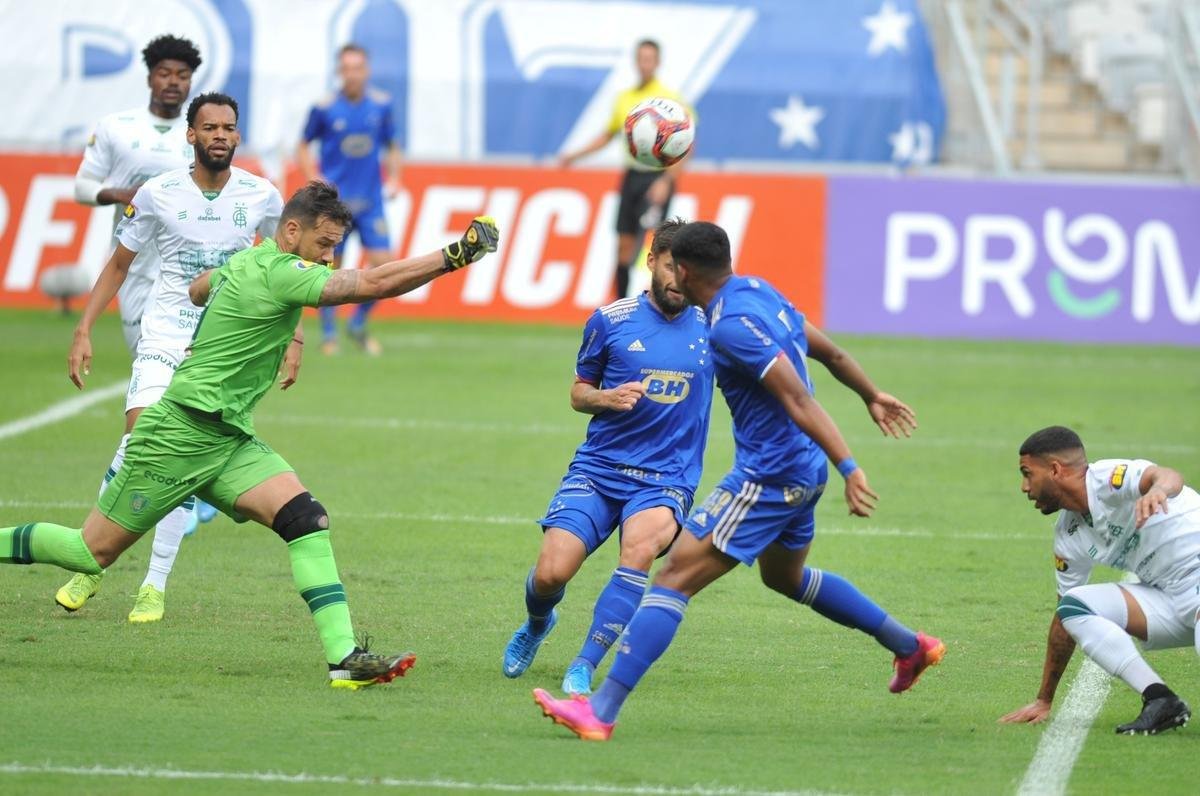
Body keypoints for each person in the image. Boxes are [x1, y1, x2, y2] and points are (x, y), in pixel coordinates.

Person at [1, 182, 499, 688]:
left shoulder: (248, 261)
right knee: (90, 553)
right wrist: (454, 255)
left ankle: (343, 658)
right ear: (291, 231)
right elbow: (369, 284)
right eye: (323, 245)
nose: (329, 259)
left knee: (305, 519)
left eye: (334, 248)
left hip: (227, 438)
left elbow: (199, 286)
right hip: (179, 433)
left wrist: (216, 299)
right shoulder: (282, 271)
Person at [532, 221, 941, 740]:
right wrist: (871, 394)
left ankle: (600, 711)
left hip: (770, 474)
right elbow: (829, 352)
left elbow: (797, 398)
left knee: (673, 576)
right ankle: (910, 646)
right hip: (803, 467)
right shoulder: (759, 291)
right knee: (784, 578)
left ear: (681, 269)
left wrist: (850, 466)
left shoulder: (726, 326)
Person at [57, 92, 284, 623]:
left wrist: (291, 341)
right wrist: (84, 327)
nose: (221, 135)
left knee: (181, 457)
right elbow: (118, 265)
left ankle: (154, 583)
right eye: (210, 128)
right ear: (191, 135)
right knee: (141, 439)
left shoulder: (262, 196)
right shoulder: (157, 193)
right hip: (163, 333)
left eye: (230, 127)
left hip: (223, 348)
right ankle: (92, 561)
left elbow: (287, 268)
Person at [502, 218, 713, 696]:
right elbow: (579, 393)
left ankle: (584, 663)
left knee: (638, 551)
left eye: (689, 270)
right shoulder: (610, 320)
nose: (679, 279)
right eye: (670, 267)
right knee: (551, 572)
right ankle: (538, 623)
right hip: (599, 469)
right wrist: (607, 397)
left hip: (666, 477)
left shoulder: (712, 324)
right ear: (651, 261)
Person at [999, 426, 1199, 735]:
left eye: (1028, 473)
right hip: (1173, 600)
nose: (1025, 487)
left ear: (1054, 469)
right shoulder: (1069, 534)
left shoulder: (1107, 478)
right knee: (1074, 607)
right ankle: (1160, 700)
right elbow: (1064, 623)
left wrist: (1158, 491)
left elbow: (1167, 475)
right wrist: (1043, 699)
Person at [74, 35, 202, 357]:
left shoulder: (201, 132)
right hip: (133, 259)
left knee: (187, 364)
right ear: (150, 77)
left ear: (190, 81)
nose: (173, 82)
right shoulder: (116, 127)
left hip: (185, 259)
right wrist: (122, 194)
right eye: (164, 73)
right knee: (146, 357)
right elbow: (82, 187)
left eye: (183, 75)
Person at [558, 39, 684, 301]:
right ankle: (623, 305)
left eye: (649, 59)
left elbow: (684, 145)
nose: (644, 63)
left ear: (657, 62)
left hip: (657, 175)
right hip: (632, 176)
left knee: (655, 244)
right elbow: (607, 135)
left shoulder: (669, 99)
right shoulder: (625, 98)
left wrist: (666, 180)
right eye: (641, 58)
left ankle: (663, 304)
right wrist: (575, 155)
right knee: (624, 247)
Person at [297, 43, 402, 356]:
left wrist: (396, 177)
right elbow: (303, 145)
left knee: (385, 264)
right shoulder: (325, 107)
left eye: (358, 68)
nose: (352, 74)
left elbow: (393, 145)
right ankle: (330, 335)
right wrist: (314, 177)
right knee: (331, 270)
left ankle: (357, 323)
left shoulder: (382, 105)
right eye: (347, 68)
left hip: (371, 202)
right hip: (336, 205)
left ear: (366, 71)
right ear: (339, 72)